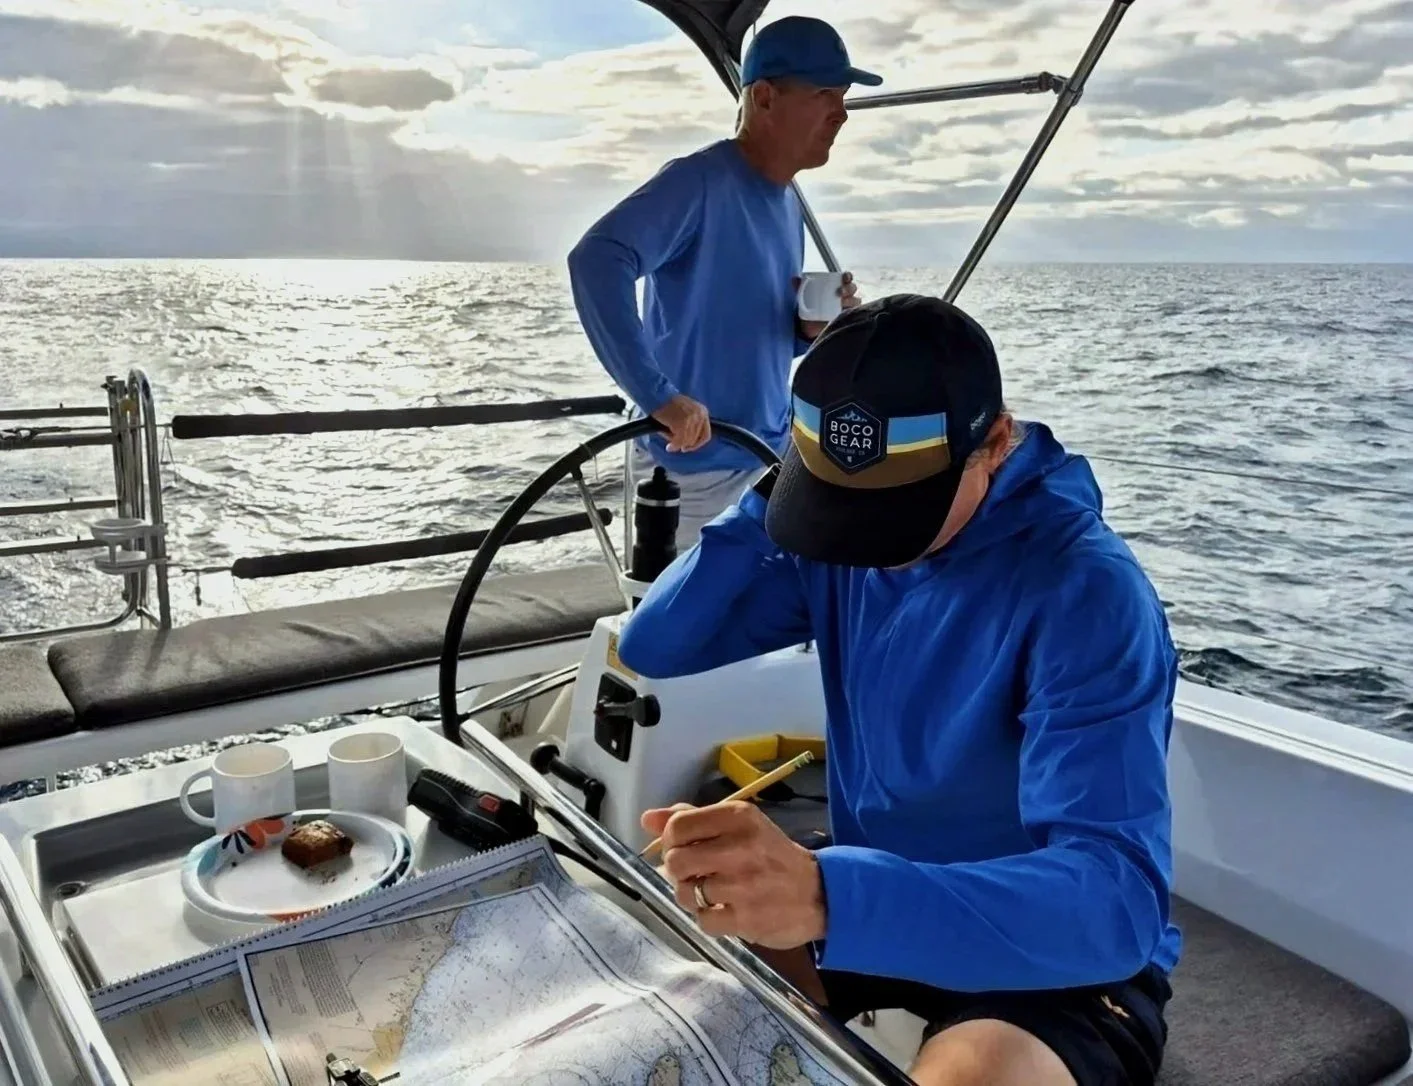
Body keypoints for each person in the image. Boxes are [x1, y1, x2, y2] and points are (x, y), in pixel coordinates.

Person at [615, 293, 1183, 1086]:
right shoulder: (839, 543)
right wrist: (774, 501)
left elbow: (1115, 905)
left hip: (1052, 954)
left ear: (995, 443)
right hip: (873, 881)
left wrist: (829, 896)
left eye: (895, 508)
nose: (864, 540)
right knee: (668, 989)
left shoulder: (1085, 591)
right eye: (839, 501)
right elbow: (655, 644)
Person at [567, 15, 879, 549]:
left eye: (843, 97)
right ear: (764, 98)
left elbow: (748, 329)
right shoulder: (698, 181)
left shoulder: (789, 200)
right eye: (825, 94)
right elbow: (596, 260)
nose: (842, 113)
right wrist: (659, 398)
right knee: (692, 608)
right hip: (691, 475)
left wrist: (806, 330)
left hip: (770, 458)